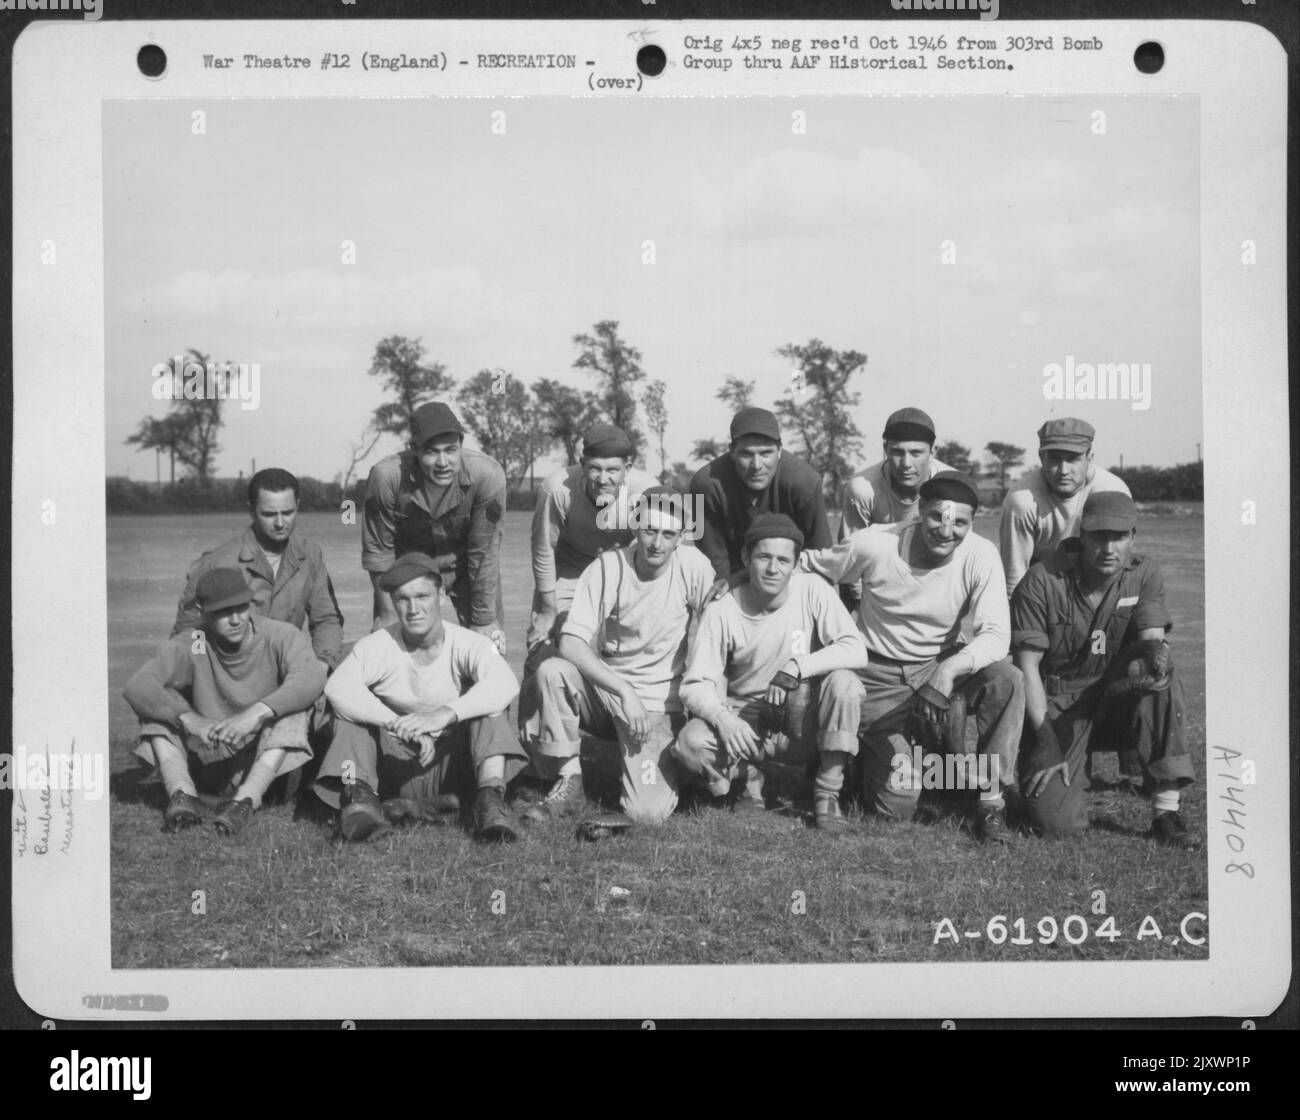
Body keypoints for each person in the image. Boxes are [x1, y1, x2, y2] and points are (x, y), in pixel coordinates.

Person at [799, 472, 1025, 843]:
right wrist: (742, 576)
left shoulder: (981, 554)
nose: (946, 530)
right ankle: (856, 758)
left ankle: (991, 802)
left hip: (939, 663)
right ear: (920, 510)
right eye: (937, 516)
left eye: (960, 523)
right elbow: (809, 565)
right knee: (897, 806)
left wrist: (949, 669)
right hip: (877, 672)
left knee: (1007, 678)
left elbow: (998, 635)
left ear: (973, 521)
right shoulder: (874, 544)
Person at [519, 487, 716, 838]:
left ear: (681, 538)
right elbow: (571, 642)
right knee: (552, 671)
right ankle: (569, 781)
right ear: (636, 527)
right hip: (609, 692)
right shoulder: (609, 566)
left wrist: (704, 705)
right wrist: (624, 690)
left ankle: (680, 767)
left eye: (668, 534)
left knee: (646, 813)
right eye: (649, 530)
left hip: (657, 704)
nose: (656, 543)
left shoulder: (694, 567)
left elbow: (717, 633)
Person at [1011, 491, 1197, 848]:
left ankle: (1166, 811)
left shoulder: (1143, 573)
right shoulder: (1042, 580)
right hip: (1058, 703)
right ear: (1082, 535)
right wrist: (1047, 741)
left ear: (1133, 537)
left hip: (1114, 697)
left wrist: (1156, 654)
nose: (1108, 548)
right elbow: (1027, 668)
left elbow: (1152, 639)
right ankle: (1063, 766)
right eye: (1099, 536)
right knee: (1054, 823)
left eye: (1119, 537)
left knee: (1159, 669)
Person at [312, 553, 528, 843]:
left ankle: (490, 801)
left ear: (440, 594)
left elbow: (505, 682)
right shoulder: (376, 646)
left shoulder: (470, 643)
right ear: (392, 602)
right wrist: (395, 722)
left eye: (422, 596)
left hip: (453, 763)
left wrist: (443, 715)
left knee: (491, 710)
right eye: (402, 599)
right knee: (349, 716)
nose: (413, 609)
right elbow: (337, 687)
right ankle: (361, 800)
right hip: (394, 764)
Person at [674, 514, 869, 829]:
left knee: (845, 683)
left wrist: (796, 666)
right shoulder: (722, 609)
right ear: (745, 557)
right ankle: (745, 776)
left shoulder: (813, 589)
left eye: (783, 559)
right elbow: (694, 685)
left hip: (802, 715)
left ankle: (828, 792)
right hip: (748, 719)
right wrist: (724, 720)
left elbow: (855, 648)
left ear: (796, 563)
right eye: (763, 557)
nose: (772, 568)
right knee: (689, 745)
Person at [123, 568, 327, 835]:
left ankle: (245, 802)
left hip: (268, 769)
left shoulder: (280, 635)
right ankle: (182, 797)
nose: (236, 620)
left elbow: (312, 677)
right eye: (223, 611)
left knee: (294, 711)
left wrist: (255, 714)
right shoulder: (194, 642)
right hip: (210, 764)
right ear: (201, 611)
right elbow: (137, 685)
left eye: (241, 607)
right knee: (160, 707)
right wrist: (189, 719)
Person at [362, 401, 507, 647]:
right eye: (431, 452)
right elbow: (379, 552)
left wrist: (483, 620)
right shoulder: (386, 477)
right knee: (392, 651)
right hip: (409, 569)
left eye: (450, 450)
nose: (442, 462)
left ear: (461, 446)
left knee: (490, 648)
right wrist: (387, 614)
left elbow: (484, 552)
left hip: (467, 569)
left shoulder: (487, 475)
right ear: (414, 449)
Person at [173, 467, 344, 669]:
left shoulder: (310, 555)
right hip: (233, 676)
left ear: (298, 506)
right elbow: (189, 632)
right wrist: (207, 680)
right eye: (269, 514)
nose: (280, 523)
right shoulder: (216, 563)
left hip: (288, 671)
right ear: (252, 511)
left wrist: (322, 665)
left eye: (288, 512)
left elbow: (326, 620)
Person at [525, 422, 659, 659]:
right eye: (595, 469)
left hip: (621, 571)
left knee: (627, 650)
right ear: (582, 465)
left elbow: (660, 547)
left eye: (612, 470)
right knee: (545, 644)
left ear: (627, 469)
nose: (603, 479)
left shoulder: (646, 491)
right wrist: (547, 610)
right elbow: (544, 550)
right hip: (569, 570)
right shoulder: (557, 489)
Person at [690, 407, 832, 598]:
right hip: (730, 584)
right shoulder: (705, 485)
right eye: (746, 454)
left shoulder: (804, 481)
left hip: (790, 578)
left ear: (780, 450)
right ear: (732, 452)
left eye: (766, 453)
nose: (756, 466)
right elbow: (713, 565)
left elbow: (821, 558)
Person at [998, 417, 1132, 598]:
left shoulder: (1112, 491)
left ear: (1089, 457)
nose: (1063, 470)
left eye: (1073, 459)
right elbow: (1014, 577)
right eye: (1054, 459)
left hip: (1096, 583)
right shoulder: (1022, 500)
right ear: (1041, 457)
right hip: (1040, 587)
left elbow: (1119, 559)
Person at [840, 407, 953, 537]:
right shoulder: (863, 488)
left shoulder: (951, 487)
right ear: (885, 449)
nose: (906, 463)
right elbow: (850, 551)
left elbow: (955, 547)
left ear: (933, 452)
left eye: (916, 453)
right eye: (897, 452)